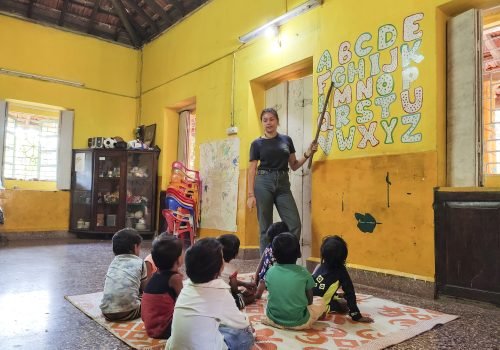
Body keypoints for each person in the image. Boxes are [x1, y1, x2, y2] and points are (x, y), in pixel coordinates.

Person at [247, 107, 318, 254]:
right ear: (262, 122)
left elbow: (294, 165)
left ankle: (286, 258)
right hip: (263, 183)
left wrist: (308, 153)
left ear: (277, 121)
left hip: (283, 184)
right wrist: (250, 195)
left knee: (294, 224)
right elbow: (252, 169)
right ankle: (266, 265)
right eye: (265, 120)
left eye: (271, 119)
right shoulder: (256, 144)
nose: (268, 123)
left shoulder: (286, 140)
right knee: (265, 228)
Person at [167, 238, 254, 350]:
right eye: (222, 258)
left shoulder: (185, 286)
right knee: (245, 335)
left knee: (215, 326)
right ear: (218, 269)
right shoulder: (220, 291)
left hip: (175, 347)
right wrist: (248, 325)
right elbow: (241, 323)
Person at [263, 232, 326, 330]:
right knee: (320, 301)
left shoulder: (270, 271)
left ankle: (275, 321)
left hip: (273, 319)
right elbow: (310, 301)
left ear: (274, 255)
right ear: (299, 253)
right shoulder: (303, 272)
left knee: (268, 301)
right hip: (299, 323)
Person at [312, 235, 374, 323]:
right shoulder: (341, 271)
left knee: (328, 288)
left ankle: (332, 297)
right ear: (344, 257)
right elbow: (350, 293)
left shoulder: (320, 266)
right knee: (344, 304)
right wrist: (356, 315)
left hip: (309, 300)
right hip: (321, 305)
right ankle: (324, 308)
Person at [141, 234, 184, 339]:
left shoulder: (156, 274)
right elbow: (185, 299)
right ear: (178, 260)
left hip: (150, 325)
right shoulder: (175, 279)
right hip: (163, 329)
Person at [100, 228, 147, 321]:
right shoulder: (140, 262)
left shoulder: (113, 262)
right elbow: (144, 289)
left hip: (106, 313)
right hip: (130, 312)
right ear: (135, 247)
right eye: (140, 247)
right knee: (148, 298)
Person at [217, 234, 257, 309]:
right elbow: (234, 290)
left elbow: (227, 280)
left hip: (213, 298)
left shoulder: (213, 263)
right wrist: (242, 293)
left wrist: (244, 284)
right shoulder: (232, 269)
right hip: (226, 303)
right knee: (252, 297)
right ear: (236, 253)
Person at [253, 221, 289, 299]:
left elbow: (260, 265)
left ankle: (257, 293)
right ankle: (257, 294)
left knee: (263, 280)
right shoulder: (282, 250)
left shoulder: (269, 246)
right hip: (268, 278)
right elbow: (261, 265)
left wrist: (256, 278)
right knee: (263, 280)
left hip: (267, 278)